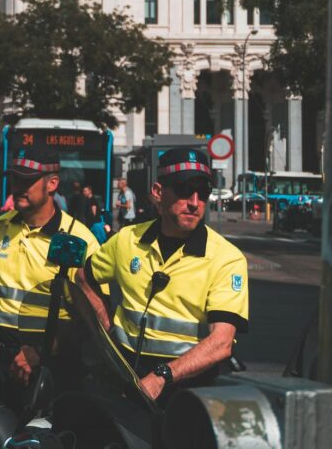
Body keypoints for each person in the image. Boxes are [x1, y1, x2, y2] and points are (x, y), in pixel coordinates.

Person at [77, 148, 249, 406]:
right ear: (158, 192)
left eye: (203, 193)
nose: (194, 202)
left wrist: (162, 376)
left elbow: (222, 342)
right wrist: (105, 324)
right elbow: (83, 277)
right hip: (123, 382)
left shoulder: (227, 258)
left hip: (189, 390)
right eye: (183, 189)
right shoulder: (127, 240)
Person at [0, 148, 100, 410]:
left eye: (27, 180)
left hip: (51, 366)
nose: (18, 187)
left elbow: (94, 319)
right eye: (15, 179)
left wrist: (41, 351)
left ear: (52, 184)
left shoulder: (78, 239)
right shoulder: (2, 226)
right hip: (0, 362)